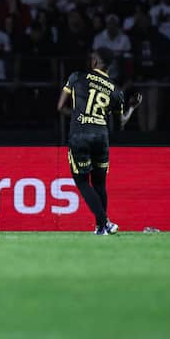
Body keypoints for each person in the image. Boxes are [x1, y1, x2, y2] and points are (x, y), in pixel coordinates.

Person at [57, 49, 141, 236]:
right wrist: (132, 108)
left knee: (81, 181)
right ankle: (100, 227)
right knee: (100, 184)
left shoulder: (77, 77)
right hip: (101, 136)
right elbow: (121, 121)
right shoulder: (116, 90)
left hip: (80, 134)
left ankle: (105, 223)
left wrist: (79, 117)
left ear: (95, 61)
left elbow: (60, 106)